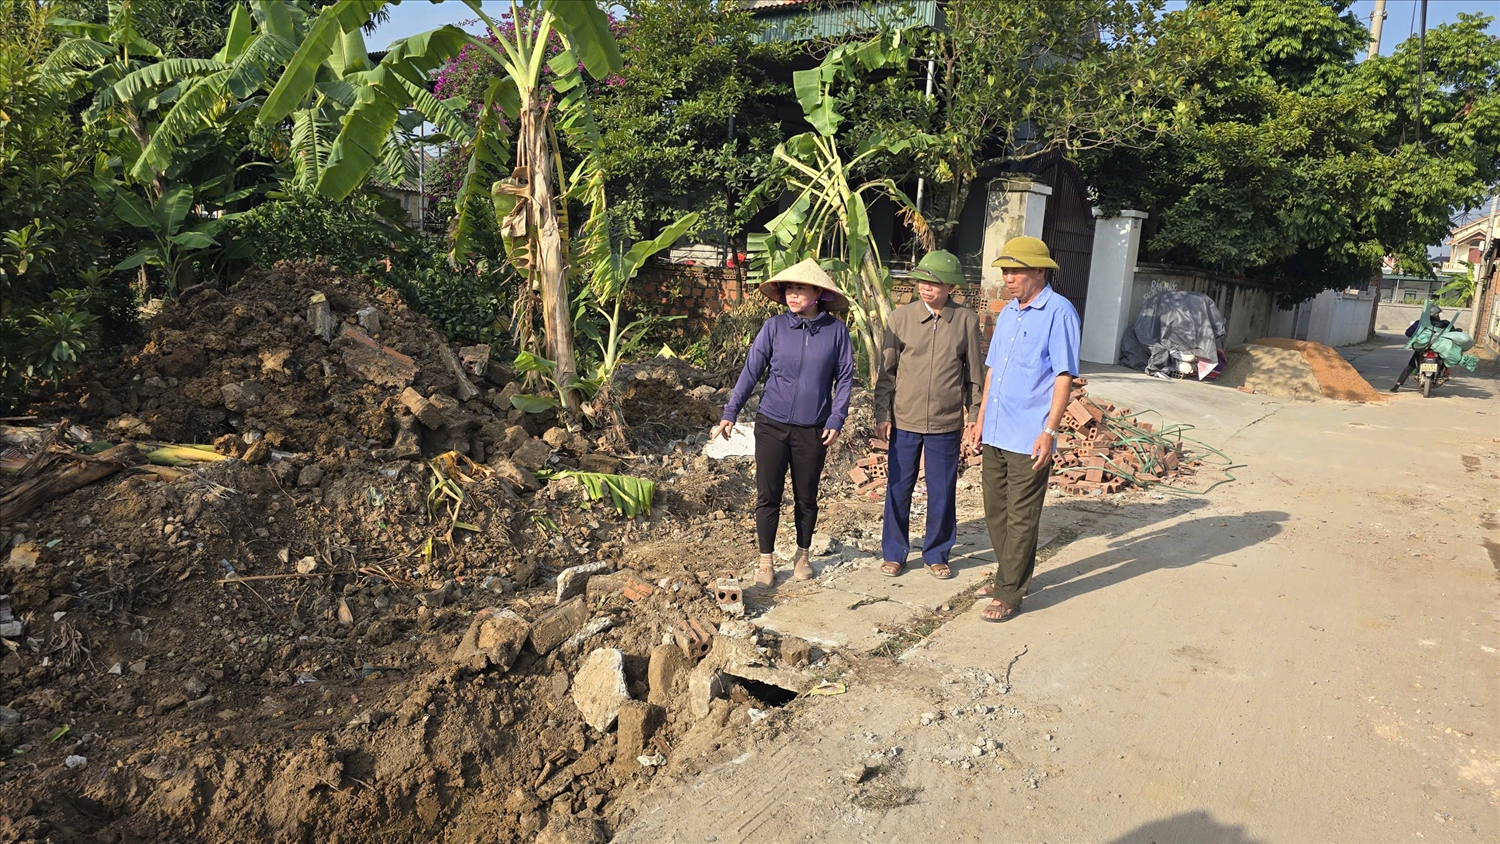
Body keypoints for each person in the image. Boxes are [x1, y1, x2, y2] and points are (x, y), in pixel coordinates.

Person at [714, 259, 853, 588]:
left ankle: (803, 555)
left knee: (806, 496)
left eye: (800, 288)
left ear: (818, 292)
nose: (793, 294)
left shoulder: (835, 332)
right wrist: (730, 411)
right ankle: (766, 561)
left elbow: (845, 378)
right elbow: (751, 372)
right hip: (771, 424)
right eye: (789, 288)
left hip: (813, 428)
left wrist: (837, 416)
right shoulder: (774, 328)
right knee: (768, 495)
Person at [967, 236, 1080, 622]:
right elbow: (993, 370)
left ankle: (1010, 593)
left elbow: (1064, 376)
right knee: (995, 510)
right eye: (1005, 271)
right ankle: (1007, 575)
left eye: (1015, 271)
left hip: (1029, 433)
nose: (1008, 278)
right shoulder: (1009, 313)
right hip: (997, 428)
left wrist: (1049, 432)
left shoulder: (1060, 312)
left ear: (1038, 271)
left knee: (1022, 514)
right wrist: (979, 420)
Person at [874, 250, 983, 580]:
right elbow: (886, 374)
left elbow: (974, 373)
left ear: (951, 287)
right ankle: (895, 553)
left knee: (942, 489)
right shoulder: (900, 318)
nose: (926, 288)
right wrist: (883, 413)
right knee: (898, 488)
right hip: (904, 420)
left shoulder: (965, 320)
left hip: (946, 421)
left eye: (934, 283)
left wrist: (974, 414)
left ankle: (936, 553)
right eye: (922, 280)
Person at [1391, 306, 1451, 392]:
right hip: (1437, 349)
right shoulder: (1444, 324)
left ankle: (1397, 385)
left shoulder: (1419, 323)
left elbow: (1408, 333)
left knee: (1410, 366)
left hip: (1422, 349)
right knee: (1446, 361)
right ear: (1436, 314)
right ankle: (1444, 376)